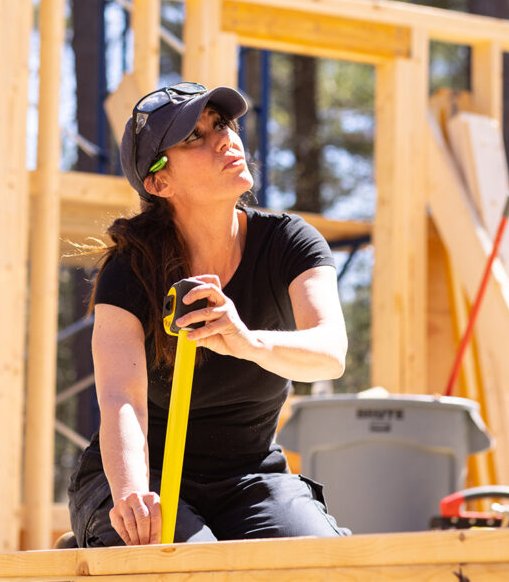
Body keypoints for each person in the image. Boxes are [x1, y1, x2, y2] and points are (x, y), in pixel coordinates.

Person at [67, 81, 351, 546]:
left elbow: (329, 354)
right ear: (160, 182)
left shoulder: (289, 242)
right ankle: (101, 534)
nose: (224, 138)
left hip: (251, 478)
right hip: (151, 477)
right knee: (195, 569)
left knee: (318, 565)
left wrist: (247, 341)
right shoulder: (129, 269)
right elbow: (122, 400)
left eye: (221, 124)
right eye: (194, 137)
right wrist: (132, 492)